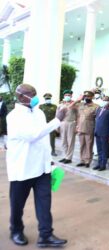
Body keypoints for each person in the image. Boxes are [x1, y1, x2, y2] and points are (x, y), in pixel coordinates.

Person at [6, 84, 67, 247]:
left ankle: (46, 235)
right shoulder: (13, 117)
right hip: (22, 168)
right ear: (20, 97)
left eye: (35, 94)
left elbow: (43, 138)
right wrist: (57, 120)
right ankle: (16, 230)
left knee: (44, 204)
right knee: (17, 205)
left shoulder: (39, 113)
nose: (34, 98)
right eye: (30, 95)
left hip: (41, 168)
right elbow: (32, 136)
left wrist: (49, 160)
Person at [71, 90, 99, 168]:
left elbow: (97, 118)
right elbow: (70, 107)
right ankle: (82, 160)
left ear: (92, 97)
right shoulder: (80, 105)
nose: (87, 98)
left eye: (89, 96)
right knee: (81, 145)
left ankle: (87, 161)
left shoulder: (96, 106)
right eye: (86, 96)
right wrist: (78, 99)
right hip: (80, 128)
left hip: (89, 128)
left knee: (89, 145)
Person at [93, 96, 109, 171]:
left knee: (104, 150)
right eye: (103, 100)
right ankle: (99, 163)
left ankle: (103, 165)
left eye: (106, 100)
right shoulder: (98, 109)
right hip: (98, 132)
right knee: (99, 149)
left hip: (105, 133)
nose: (104, 101)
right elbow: (96, 121)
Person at [57, 90, 77, 164]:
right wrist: (57, 125)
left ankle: (69, 158)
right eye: (66, 95)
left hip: (71, 123)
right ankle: (65, 156)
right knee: (63, 141)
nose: (67, 96)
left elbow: (78, 115)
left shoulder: (75, 104)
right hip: (62, 123)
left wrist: (77, 125)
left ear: (71, 96)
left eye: (69, 95)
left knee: (70, 141)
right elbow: (57, 114)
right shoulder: (60, 104)